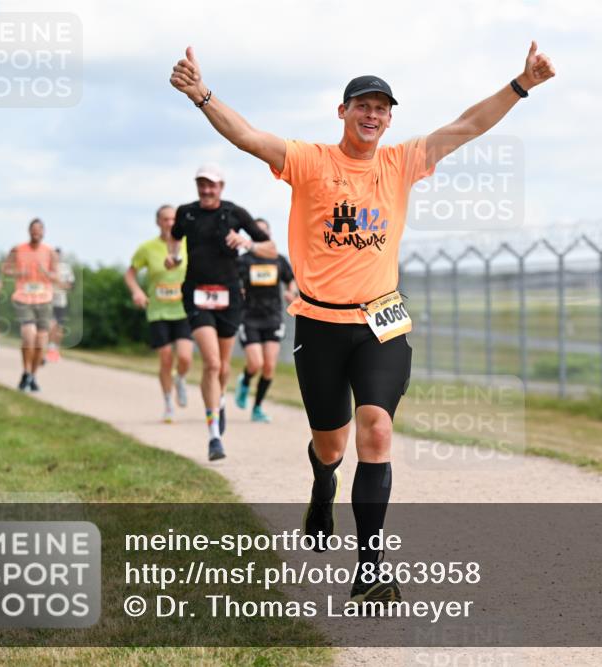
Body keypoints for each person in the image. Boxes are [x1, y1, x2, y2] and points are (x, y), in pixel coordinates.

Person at [170, 42, 555, 604]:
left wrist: (521, 85)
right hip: (319, 324)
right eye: (363, 106)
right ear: (343, 112)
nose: (372, 115)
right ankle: (323, 483)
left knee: (375, 430)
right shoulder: (309, 161)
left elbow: (467, 126)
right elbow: (249, 137)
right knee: (331, 445)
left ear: (389, 119)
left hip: (382, 322)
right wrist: (202, 95)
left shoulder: (401, 162)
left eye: (382, 108)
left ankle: (371, 567)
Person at [166, 164, 274, 460]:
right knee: (212, 363)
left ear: (221, 187)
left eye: (211, 185)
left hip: (229, 295)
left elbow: (270, 248)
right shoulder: (186, 213)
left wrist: (247, 242)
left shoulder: (235, 213)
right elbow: (174, 237)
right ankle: (214, 435)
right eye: (202, 184)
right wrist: (174, 257)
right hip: (196, 294)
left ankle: (220, 398)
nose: (206, 190)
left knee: (224, 366)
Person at [124, 205, 194, 423]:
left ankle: (180, 379)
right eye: (165, 219)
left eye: (173, 219)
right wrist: (137, 292)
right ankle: (168, 404)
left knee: (185, 357)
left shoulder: (187, 243)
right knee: (165, 358)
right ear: (158, 222)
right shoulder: (147, 248)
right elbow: (130, 274)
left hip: (183, 309)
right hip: (158, 310)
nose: (170, 223)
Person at [235, 218, 297, 423]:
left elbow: (290, 280)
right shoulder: (244, 260)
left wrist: (291, 292)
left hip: (273, 317)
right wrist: (238, 291)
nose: (261, 236)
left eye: (264, 232)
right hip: (249, 317)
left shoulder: (278, 259)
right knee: (255, 363)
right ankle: (245, 381)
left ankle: (257, 408)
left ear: (269, 236)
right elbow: (233, 281)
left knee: (269, 366)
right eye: (257, 232)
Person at [2, 219, 58, 391]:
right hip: (23, 298)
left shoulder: (50, 252)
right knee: (29, 336)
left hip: (44, 299)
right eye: (33, 230)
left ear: (44, 232)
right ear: (29, 231)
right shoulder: (17, 249)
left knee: (41, 341)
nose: (36, 233)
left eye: (39, 230)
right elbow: (5, 269)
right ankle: (26, 371)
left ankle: (32, 376)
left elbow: (56, 277)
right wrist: (19, 272)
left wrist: (45, 272)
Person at [46, 248, 76, 363]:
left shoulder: (66, 268)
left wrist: (59, 284)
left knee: (59, 327)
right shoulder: (47, 266)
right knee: (51, 324)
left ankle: (55, 350)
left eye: (58, 256)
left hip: (61, 301)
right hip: (48, 300)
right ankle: (49, 349)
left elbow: (71, 285)